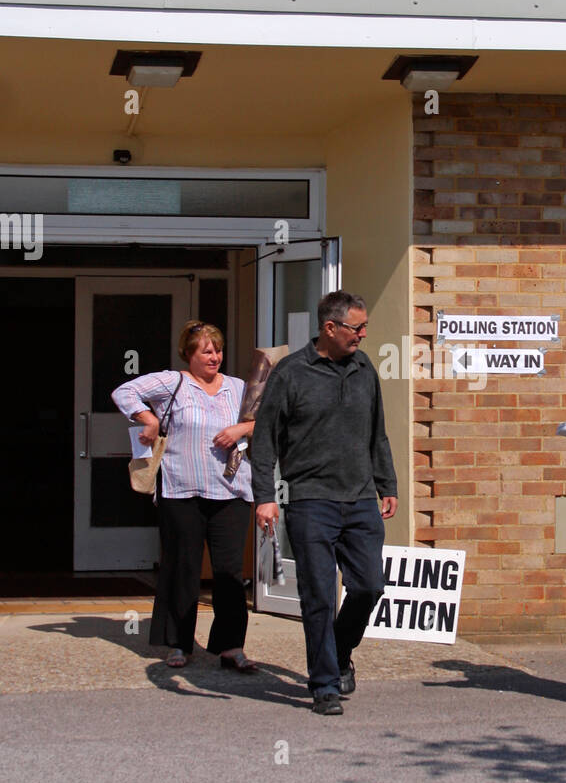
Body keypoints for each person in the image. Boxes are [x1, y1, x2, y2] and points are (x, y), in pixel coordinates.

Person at [251, 291, 398, 716]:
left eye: (364, 327)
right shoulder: (291, 373)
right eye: (357, 328)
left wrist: (386, 482)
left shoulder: (364, 367)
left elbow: (378, 432)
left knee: (369, 585)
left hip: (359, 499)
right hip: (311, 501)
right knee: (318, 595)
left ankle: (339, 650)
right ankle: (325, 685)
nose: (364, 335)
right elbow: (264, 442)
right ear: (329, 328)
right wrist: (265, 496)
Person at [112, 321, 257, 672]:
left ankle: (230, 646)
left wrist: (241, 428)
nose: (214, 356)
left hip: (232, 491)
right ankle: (179, 643)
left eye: (218, 350)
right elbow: (123, 391)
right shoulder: (172, 382)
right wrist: (148, 419)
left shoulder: (238, 387)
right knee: (183, 567)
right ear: (188, 354)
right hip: (181, 489)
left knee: (228, 571)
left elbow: (267, 418)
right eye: (206, 350)